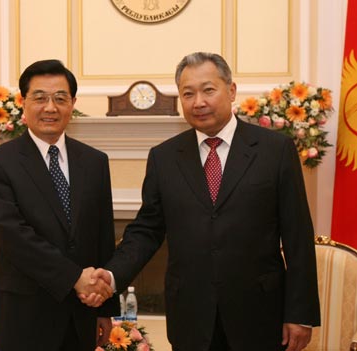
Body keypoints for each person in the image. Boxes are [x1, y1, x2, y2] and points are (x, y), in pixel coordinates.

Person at [88, 52, 321, 351]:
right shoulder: (164, 157)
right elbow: (147, 230)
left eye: (208, 90)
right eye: (188, 93)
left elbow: (297, 236)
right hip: (191, 317)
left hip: (259, 313)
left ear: (232, 90)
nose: (198, 101)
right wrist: (109, 275)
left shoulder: (275, 150)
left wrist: (300, 314)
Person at [0, 59, 119, 351]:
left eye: (60, 98)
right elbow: (12, 235)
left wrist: (106, 308)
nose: (50, 107)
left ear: (73, 104)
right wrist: (74, 278)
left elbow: (103, 235)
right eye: (39, 98)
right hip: (25, 315)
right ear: (23, 102)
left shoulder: (95, 161)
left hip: (81, 314)